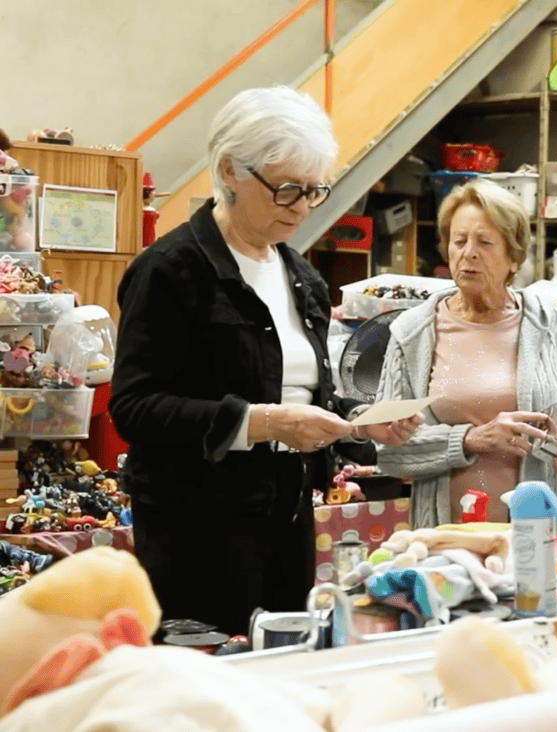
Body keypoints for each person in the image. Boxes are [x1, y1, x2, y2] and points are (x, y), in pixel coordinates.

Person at [109, 86, 422, 636]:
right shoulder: (171, 271)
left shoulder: (301, 276)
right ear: (230, 170)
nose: (301, 207)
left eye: (314, 190)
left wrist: (365, 424)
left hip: (289, 516)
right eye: (286, 190)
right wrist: (264, 422)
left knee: (281, 674)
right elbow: (134, 408)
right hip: (197, 530)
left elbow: (304, 397)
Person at [375, 178, 557, 531]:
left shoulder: (551, 323)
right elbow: (388, 453)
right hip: (448, 540)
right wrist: (471, 438)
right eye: (459, 241)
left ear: (514, 258)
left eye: (485, 242)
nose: (468, 253)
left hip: (546, 535)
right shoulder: (411, 333)